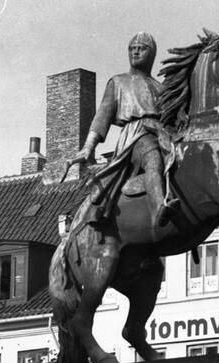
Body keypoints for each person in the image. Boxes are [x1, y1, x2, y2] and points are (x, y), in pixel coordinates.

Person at [70, 32, 176, 228]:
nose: (135, 52)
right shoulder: (118, 82)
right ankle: (159, 207)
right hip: (136, 135)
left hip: (161, 134)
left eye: (141, 48)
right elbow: (102, 117)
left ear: (151, 54)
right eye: (132, 49)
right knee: (152, 157)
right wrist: (88, 148)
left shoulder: (160, 89)